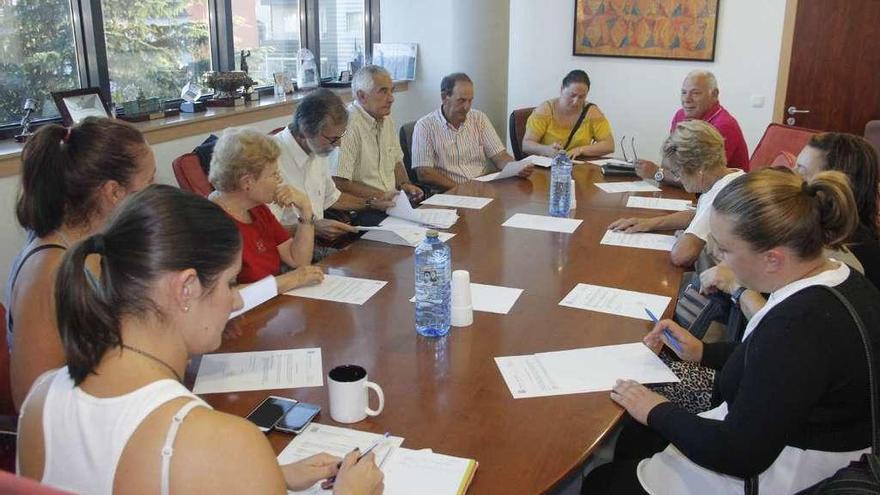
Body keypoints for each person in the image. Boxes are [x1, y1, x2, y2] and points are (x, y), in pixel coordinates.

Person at [16, 185, 384, 494]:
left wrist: (272, 476)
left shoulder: (41, 400)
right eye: (229, 283)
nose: (236, 299)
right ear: (187, 288)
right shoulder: (221, 442)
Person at [583, 168, 880, 494]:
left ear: (772, 259)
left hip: (788, 473)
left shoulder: (798, 326)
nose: (718, 260)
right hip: (803, 441)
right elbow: (781, 367)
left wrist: (653, 407)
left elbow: (739, 454)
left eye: (724, 250)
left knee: (602, 483)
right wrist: (703, 351)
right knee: (636, 441)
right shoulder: (840, 279)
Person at [6, 117, 156, 410]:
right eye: (149, 182)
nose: (155, 191)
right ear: (114, 192)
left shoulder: (96, 245)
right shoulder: (48, 271)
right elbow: (33, 402)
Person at [701, 132, 880, 318]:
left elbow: (791, 326)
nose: (789, 176)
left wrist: (738, 288)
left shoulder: (846, 255)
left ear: (834, 182)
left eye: (800, 170)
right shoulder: (814, 228)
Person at [609, 120, 745, 267]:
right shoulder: (734, 176)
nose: (676, 178)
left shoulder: (720, 196)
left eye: (677, 172)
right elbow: (698, 214)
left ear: (699, 169)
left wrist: (685, 237)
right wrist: (649, 223)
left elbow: (681, 256)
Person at [208, 127, 324, 292]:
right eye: (274, 174)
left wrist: (305, 208)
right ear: (247, 182)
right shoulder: (212, 223)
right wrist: (290, 279)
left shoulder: (257, 208)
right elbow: (227, 296)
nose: (280, 179)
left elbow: (298, 260)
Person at [272, 88, 390, 241]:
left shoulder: (317, 149)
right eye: (333, 139)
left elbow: (332, 198)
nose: (338, 144)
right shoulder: (270, 159)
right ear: (306, 131)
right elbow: (261, 231)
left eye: (341, 136)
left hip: (316, 242)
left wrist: (373, 203)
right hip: (287, 250)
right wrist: (310, 228)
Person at [412, 72, 533, 190]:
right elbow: (424, 172)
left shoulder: (478, 118)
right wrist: (461, 189)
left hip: (481, 188)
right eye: (461, 100)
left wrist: (517, 168)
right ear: (444, 97)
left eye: (470, 101)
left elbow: (500, 156)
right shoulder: (425, 126)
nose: (467, 107)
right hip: (449, 193)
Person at [334, 65, 424, 216]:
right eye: (383, 91)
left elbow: (396, 161)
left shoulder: (385, 117)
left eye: (391, 90)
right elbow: (340, 183)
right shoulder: (348, 125)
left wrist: (405, 185)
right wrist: (380, 196)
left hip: (392, 204)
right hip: (365, 208)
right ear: (362, 96)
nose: (391, 98)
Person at [635, 70, 750, 183]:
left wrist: (656, 173)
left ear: (714, 94)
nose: (687, 99)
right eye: (684, 92)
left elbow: (701, 179)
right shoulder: (680, 115)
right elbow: (668, 161)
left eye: (695, 93)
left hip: (722, 195)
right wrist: (661, 172)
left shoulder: (723, 125)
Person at [522, 69, 614, 159]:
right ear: (562, 89)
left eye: (581, 97)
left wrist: (580, 150)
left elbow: (609, 145)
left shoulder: (591, 112)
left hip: (578, 166)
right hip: (549, 166)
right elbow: (526, 145)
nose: (576, 102)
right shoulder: (546, 110)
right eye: (572, 95)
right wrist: (546, 150)